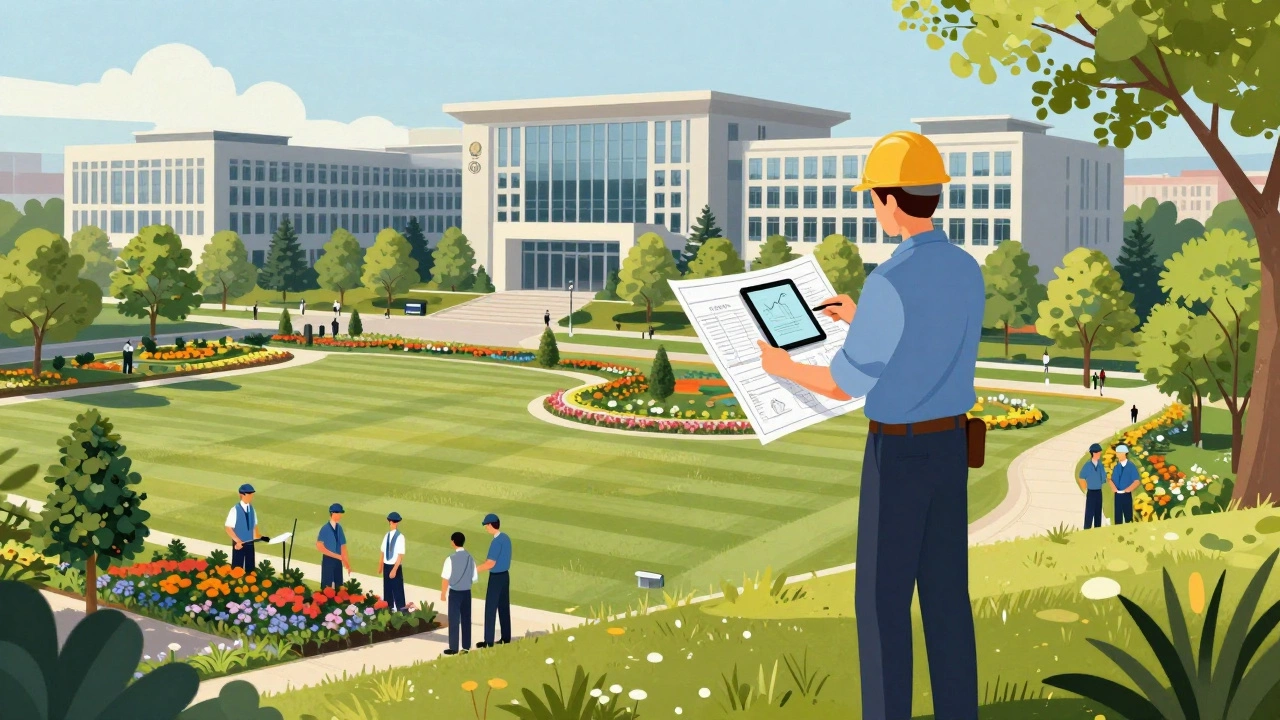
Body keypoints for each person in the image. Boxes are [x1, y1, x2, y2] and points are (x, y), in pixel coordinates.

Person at [755, 130, 981, 720]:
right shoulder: (965, 268)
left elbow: (844, 384)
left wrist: (783, 366)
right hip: (951, 446)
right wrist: (864, 320)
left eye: (874, 197)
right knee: (946, 598)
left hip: (898, 456)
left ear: (889, 200)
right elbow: (929, 341)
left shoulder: (890, 280)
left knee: (883, 605)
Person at [475, 513, 512, 648]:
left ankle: (488, 641)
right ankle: (506, 638)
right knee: (503, 608)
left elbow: (490, 563)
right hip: (505, 576)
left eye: (486, 525)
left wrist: (474, 570)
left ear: (491, 525)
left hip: (496, 578)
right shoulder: (506, 538)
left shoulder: (496, 542)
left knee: (490, 608)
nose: (486, 528)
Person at [441, 531, 478, 656]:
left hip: (455, 593)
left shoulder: (450, 559)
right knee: (466, 619)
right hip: (467, 592)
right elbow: (474, 577)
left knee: (454, 619)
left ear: (453, 542)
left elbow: (445, 578)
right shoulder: (470, 558)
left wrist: (443, 593)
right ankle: (466, 646)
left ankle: (454, 647)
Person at [224, 483, 264, 571]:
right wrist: (237, 541)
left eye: (252, 494)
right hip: (239, 544)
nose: (251, 496)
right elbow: (228, 528)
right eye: (249, 494)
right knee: (237, 567)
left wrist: (257, 536)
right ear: (242, 495)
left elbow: (254, 525)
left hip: (250, 543)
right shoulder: (235, 510)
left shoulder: (252, 509)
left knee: (250, 567)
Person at [316, 503, 351, 589]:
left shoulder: (339, 528)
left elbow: (343, 546)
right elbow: (319, 546)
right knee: (327, 584)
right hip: (328, 560)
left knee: (339, 584)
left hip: (338, 561)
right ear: (333, 513)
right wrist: (336, 556)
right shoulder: (325, 528)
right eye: (338, 513)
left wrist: (347, 563)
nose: (340, 515)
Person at [379, 512, 407, 612]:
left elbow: (400, 555)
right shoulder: (387, 535)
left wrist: (394, 569)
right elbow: (383, 552)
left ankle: (402, 612)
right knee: (387, 589)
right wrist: (381, 566)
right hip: (387, 565)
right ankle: (388, 609)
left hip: (395, 566)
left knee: (398, 590)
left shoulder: (400, 537)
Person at [1078, 444, 1107, 529]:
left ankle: (1097, 530)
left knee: (1098, 512)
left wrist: (1102, 480)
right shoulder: (1088, 465)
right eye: (1098, 453)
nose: (1100, 454)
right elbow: (1081, 477)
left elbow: (1103, 477)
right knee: (1089, 513)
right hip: (1091, 492)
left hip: (1098, 491)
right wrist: (1085, 489)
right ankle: (1087, 529)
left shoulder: (1100, 465)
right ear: (1094, 453)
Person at [1111, 444, 1140, 524]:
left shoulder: (1131, 466)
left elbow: (1136, 481)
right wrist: (1113, 487)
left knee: (1128, 515)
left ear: (1124, 453)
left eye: (1118, 453)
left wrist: (1128, 489)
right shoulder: (1117, 467)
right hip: (1117, 494)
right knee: (1118, 516)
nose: (1117, 455)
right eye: (1116, 453)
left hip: (1126, 494)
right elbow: (1113, 480)